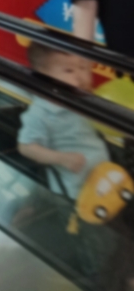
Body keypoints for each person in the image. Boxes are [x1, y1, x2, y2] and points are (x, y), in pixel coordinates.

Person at [18, 43, 109, 199]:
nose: (79, 75)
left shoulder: (79, 98)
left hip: (104, 174)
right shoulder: (40, 113)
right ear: (45, 78)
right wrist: (62, 158)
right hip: (77, 192)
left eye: (81, 67)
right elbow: (26, 147)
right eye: (69, 70)